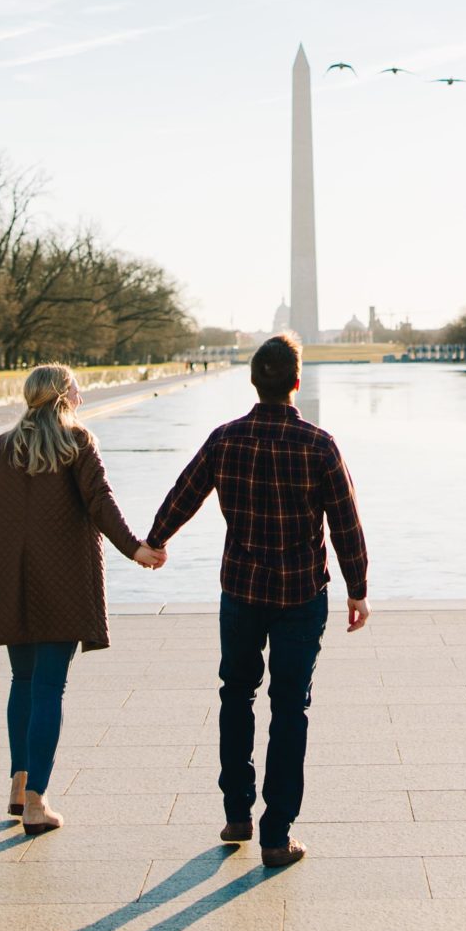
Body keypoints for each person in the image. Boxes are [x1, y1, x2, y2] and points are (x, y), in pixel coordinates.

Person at [147, 331, 368, 869]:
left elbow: (184, 493)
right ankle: (276, 834)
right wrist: (357, 589)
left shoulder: (226, 439)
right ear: (296, 382)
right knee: (291, 707)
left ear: (253, 380)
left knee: (236, 696)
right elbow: (345, 524)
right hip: (300, 593)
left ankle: (236, 813)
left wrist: (155, 541)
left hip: (241, 589)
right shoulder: (319, 445)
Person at [0, 363, 165, 834]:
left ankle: (18, 784)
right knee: (49, 688)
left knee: (21, 682)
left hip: (9, 581)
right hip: (62, 583)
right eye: (76, 388)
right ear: (64, 396)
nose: (82, 395)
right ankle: (36, 803)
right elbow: (100, 502)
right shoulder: (77, 443)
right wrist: (136, 550)